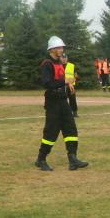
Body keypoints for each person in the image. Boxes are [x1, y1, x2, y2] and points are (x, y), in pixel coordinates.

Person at [35, 36, 88, 172]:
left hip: (63, 100)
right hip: (53, 102)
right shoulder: (46, 64)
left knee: (71, 129)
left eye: (62, 47)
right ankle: (41, 159)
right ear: (52, 49)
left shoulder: (59, 62)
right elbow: (47, 83)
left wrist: (68, 84)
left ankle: (73, 159)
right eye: (59, 48)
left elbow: (61, 78)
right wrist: (64, 82)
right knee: (51, 131)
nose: (61, 50)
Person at [61, 53, 78, 118]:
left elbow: (76, 76)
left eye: (65, 58)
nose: (64, 59)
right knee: (62, 99)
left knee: (72, 99)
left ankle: (74, 112)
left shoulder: (72, 65)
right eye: (62, 58)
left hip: (71, 86)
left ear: (67, 58)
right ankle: (64, 113)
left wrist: (70, 83)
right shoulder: (58, 65)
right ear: (60, 58)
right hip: (62, 85)